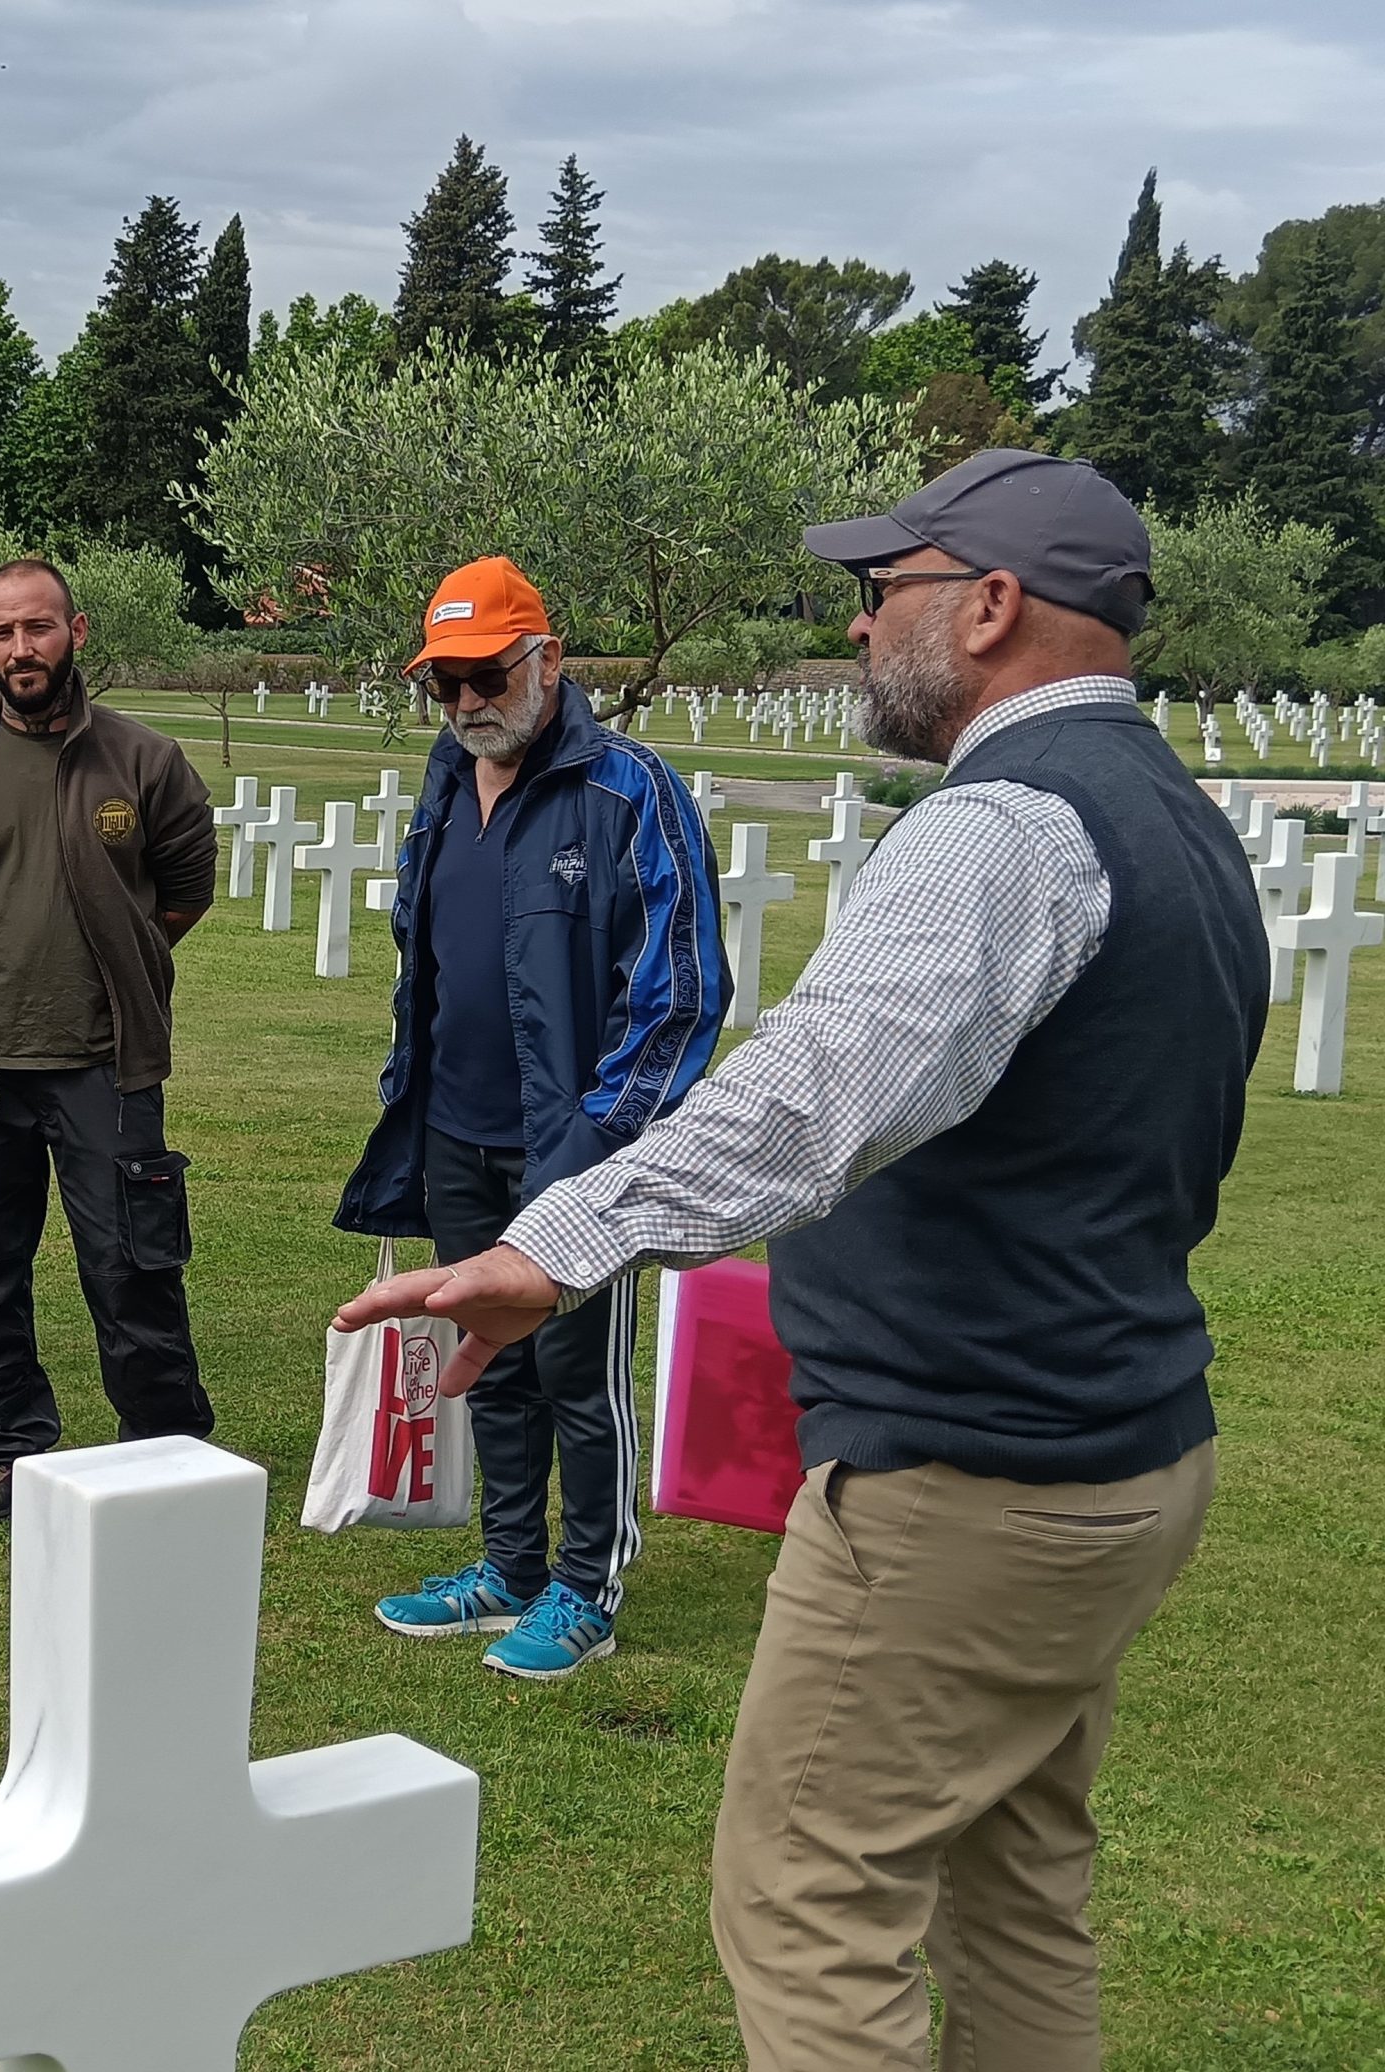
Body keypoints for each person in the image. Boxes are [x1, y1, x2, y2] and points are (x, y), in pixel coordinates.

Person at [338, 451, 1265, 2070]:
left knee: (807, 1900)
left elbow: (807, 1098)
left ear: (988, 606)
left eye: (878, 590)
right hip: (1119, 1447)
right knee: (1014, 1884)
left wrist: (557, 1241)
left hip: (966, 1470)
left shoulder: (1002, 833)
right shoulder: (1175, 818)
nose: (853, 630)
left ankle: (573, 1576)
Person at [338, 555, 727, 1679]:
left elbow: (682, 991)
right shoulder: (447, 780)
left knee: (576, 1370)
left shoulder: (627, 790)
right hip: (455, 1129)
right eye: (442, 682)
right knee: (486, 1359)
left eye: (484, 673)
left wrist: (602, 1145)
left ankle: (583, 1587)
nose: (464, 701)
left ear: (546, 659)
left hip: (577, 1151)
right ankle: (507, 1567)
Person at [0, 559, 218, 1524]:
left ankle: (161, 1444)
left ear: (77, 629)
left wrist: (113, 966)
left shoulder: (141, 761)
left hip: (104, 1062)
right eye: (1, 633)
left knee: (131, 1264)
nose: (20, 649)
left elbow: (184, 886)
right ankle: (7, 1444)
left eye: (37, 628)